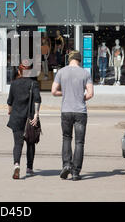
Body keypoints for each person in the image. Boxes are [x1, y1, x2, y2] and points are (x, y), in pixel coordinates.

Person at [51, 50, 94, 181]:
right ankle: (76, 172)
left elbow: (53, 91)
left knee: (66, 138)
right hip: (80, 111)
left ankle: (66, 165)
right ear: (79, 60)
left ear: (69, 59)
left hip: (66, 111)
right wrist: (80, 98)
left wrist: (65, 94)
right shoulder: (85, 73)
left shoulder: (61, 72)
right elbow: (91, 93)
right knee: (79, 142)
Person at [7, 62, 41, 179]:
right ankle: (29, 168)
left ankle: (16, 164)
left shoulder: (14, 84)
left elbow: (10, 101)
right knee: (30, 143)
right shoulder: (34, 84)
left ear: (19, 71)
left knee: (17, 143)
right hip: (30, 117)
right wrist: (36, 115)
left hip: (16, 117)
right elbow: (37, 100)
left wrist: (10, 111)